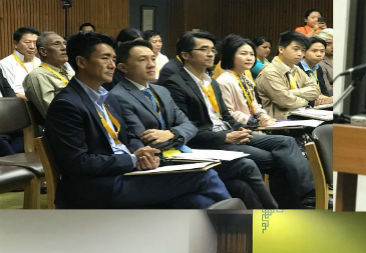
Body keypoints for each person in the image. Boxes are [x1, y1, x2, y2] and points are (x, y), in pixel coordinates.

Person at [46, 31, 231, 208]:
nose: (111, 65)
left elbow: (127, 138)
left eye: (113, 58)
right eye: (105, 58)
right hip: (97, 186)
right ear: (81, 62)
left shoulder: (106, 97)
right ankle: (252, 235)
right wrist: (132, 160)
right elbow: (78, 163)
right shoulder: (67, 104)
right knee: (206, 177)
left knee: (198, 201)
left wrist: (142, 153)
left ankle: (237, 237)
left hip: (126, 172)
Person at [111, 39, 278, 209]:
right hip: (162, 160)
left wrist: (173, 133)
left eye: (153, 59)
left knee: (240, 185)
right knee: (245, 166)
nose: (151, 64)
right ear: (123, 67)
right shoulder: (119, 96)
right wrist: (177, 134)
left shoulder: (160, 90)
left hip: (183, 152)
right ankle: (270, 219)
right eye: (142, 60)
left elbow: (188, 125)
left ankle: (263, 225)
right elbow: (149, 140)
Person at [163, 30, 315, 209]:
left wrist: (240, 128)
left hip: (230, 131)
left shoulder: (210, 81)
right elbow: (188, 128)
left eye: (212, 49)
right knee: (275, 160)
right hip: (211, 140)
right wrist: (226, 137)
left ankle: (309, 199)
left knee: (286, 143)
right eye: (204, 49)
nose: (211, 53)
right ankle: (279, 210)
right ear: (186, 55)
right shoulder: (176, 84)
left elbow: (226, 115)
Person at [255, 31, 326, 120]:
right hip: (281, 119)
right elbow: (285, 101)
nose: (300, 54)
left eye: (303, 50)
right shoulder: (270, 72)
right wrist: (309, 101)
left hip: (302, 114)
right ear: (281, 49)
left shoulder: (296, 69)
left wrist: (290, 93)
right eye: (296, 49)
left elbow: (315, 90)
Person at [216, 35, 276, 127]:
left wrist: (263, 116)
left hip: (253, 125)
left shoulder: (245, 79)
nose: (249, 58)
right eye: (243, 54)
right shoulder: (224, 81)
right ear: (231, 56)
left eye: (252, 54)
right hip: (238, 128)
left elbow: (254, 105)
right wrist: (255, 122)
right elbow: (227, 113)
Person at [23, 32, 74, 119]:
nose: (64, 48)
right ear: (44, 51)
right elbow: (53, 113)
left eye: (65, 44)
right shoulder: (38, 76)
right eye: (57, 44)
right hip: (65, 126)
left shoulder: (70, 73)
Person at [0, 27, 41, 98]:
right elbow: (9, 93)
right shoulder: (5, 63)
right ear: (15, 44)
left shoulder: (39, 61)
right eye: (27, 42)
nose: (32, 46)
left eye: (35, 43)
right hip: (19, 105)